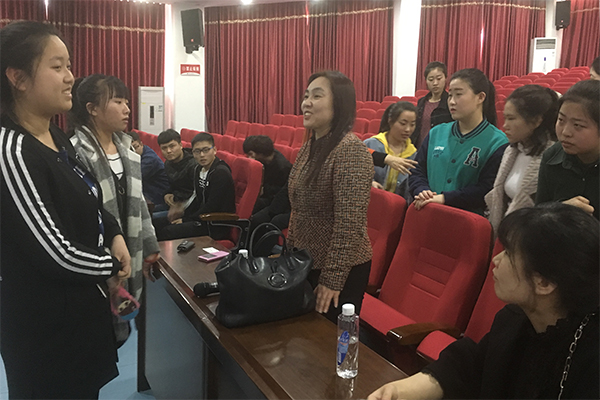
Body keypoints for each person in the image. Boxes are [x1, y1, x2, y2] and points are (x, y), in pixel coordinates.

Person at [0, 21, 131, 399]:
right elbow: (54, 252)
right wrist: (110, 265)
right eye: (57, 67)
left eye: (69, 66)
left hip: (78, 316)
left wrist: (114, 231)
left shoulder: (55, 135)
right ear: (18, 78)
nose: (70, 77)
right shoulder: (14, 151)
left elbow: (88, 197)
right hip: (45, 332)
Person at [368, 203, 599, 400]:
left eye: (508, 253)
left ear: (544, 283)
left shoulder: (590, 357)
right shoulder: (514, 319)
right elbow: (468, 365)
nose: (496, 259)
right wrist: (398, 390)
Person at [69, 74, 160, 344]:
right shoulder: (76, 152)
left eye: (127, 102)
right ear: (92, 109)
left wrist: (149, 246)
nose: (127, 109)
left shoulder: (127, 149)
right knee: (100, 332)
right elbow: (82, 217)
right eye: (118, 101)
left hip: (130, 246)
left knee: (129, 316)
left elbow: (138, 203)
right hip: (98, 258)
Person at [288, 70, 373, 323]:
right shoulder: (310, 146)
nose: (306, 103)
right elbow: (298, 209)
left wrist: (332, 279)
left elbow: (350, 224)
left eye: (317, 96)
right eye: (306, 96)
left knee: (327, 338)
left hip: (340, 268)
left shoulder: (350, 151)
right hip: (306, 260)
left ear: (339, 104)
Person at [409, 68, 509, 214]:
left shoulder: (498, 142)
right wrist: (422, 190)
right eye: (450, 95)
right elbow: (417, 170)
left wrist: (445, 198)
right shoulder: (436, 132)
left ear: (480, 97)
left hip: (466, 219)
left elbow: (487, 188)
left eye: (459, 94)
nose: (452, 101)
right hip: (428, 212)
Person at [485, 85, 558, 233]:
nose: (505, 125)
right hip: (505, 231)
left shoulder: (553, 157)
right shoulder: (511, 151)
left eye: (511, 119)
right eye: (505, 118)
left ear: (536, 121)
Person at [536, 79, 599, 219]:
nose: (565, 132)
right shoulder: (552, 156)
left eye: (578, 125)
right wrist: (561, 210)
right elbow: (540, 211)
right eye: (561, 120)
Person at [155, 132, 236, 241]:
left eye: (206, 150)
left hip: (214, 223)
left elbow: (212, 206)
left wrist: (186, 220)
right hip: (200, 218)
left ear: (214, 150)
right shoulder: (199, 169)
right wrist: (183, 214)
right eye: (197, 151)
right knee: (157, 223)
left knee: (168, 231)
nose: (202, 155)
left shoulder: (220, 173)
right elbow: (196, 198)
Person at [365, 101, 418, 200]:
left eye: (412, 125)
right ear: (390, 121)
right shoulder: (371, 144)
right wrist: (370, 182)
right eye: (403, 123)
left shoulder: (413, 154)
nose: (408, 129)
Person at [243, 134, 291, 212]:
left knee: (252, 205)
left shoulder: (282, 167)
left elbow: (281, 191)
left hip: (274, 200)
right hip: (264, 194)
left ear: (260, 153)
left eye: (250, 154)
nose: (249, 158)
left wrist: (264, 190)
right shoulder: (263, 159)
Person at [156, 128, 196, 221]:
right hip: (176, 202)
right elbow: (173, 186)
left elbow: (196, 193)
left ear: (180, 145)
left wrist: (178, 202)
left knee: (152, 219)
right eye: (164, 148)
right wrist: (167, 194)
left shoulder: (193, 164)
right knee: (147, 213)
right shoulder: (168, 163)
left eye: (172, 146)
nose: (169, 151)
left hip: (190, 207)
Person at [413, 61, 453, 149]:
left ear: (446, 78)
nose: (435, 83)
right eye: (431, 80)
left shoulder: (451, 102)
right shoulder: (421, 102)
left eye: (439, 78)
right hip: (420, 149)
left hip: (441, 148)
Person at [129, 130, 170, 210]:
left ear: (141, 144)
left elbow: (134, 178)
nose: (134, 151)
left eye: (136, 147)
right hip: (150, 194)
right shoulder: (141, 154)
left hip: (160, 199)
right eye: (130, 149)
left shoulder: (149, 159)